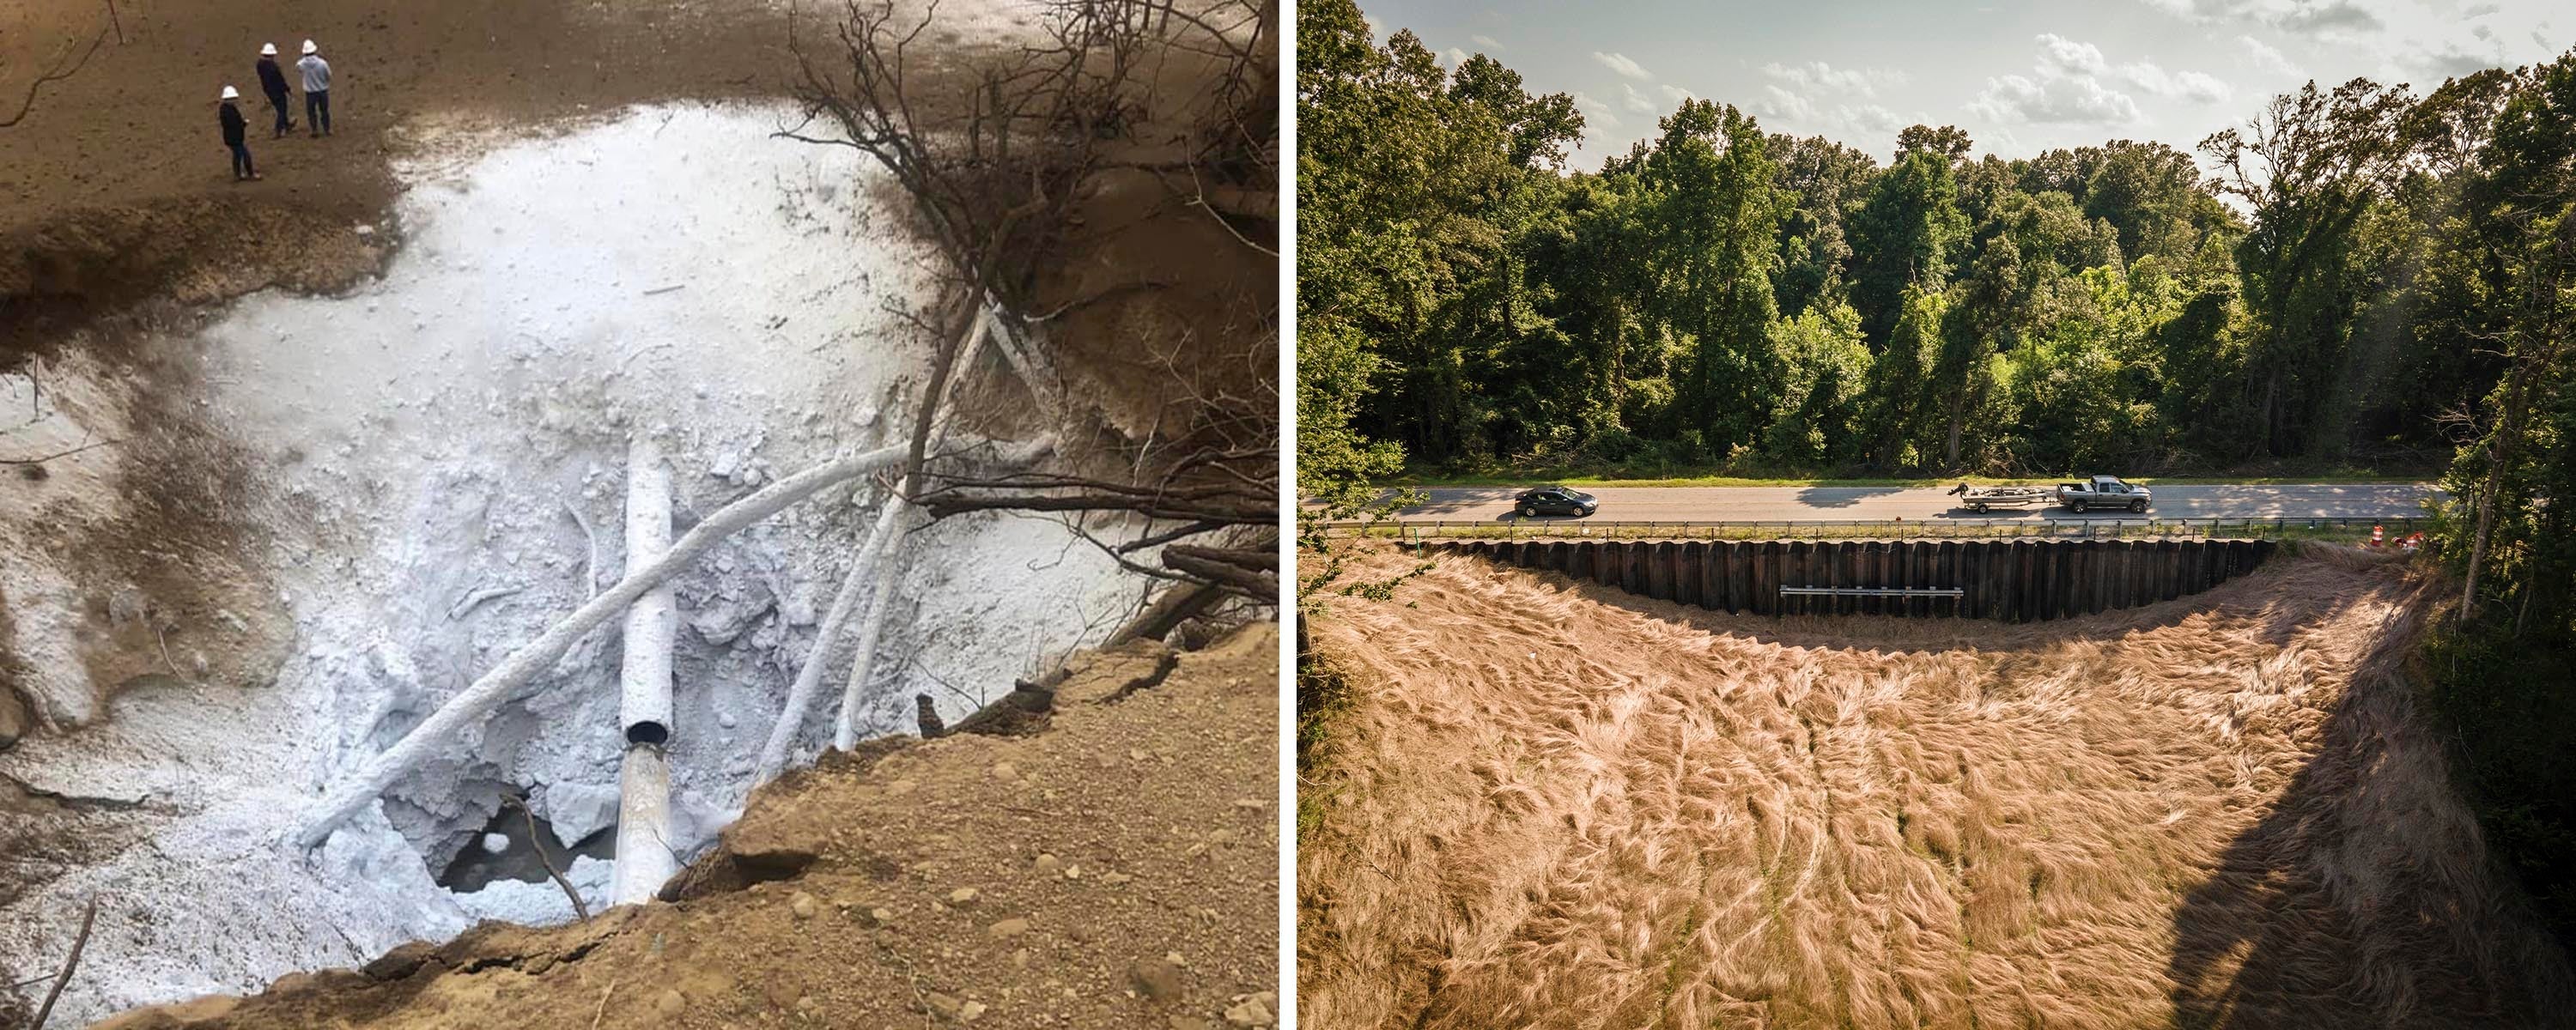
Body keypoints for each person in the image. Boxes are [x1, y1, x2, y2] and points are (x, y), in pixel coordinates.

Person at [218, 86, 259, 181]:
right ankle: (250, 174)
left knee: (237, 156)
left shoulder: (225, 109)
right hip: (235, 139)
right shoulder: (229, 111)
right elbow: (235, 125)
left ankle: (238, 174)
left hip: (231, 138)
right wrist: (244, 123)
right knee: (246, 155)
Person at [255, 43, 295, 138]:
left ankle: (287, 125)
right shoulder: (273, 67)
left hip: (268, 91)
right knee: (282, 110)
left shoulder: (259, 65)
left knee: (280, 109)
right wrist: (288, 89)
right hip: (278, 92)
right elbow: (280, 81)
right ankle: (278, 130)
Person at [297, 39, 331, 137]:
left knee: (311, 112)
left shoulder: (302, 64)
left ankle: (314, 130)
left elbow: (298, 67)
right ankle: (327, 129)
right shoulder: (322, 63)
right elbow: (328, 75)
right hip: (322, 90)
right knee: (324, 111)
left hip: (310, 92)